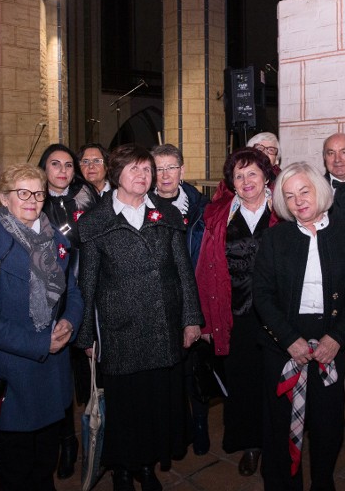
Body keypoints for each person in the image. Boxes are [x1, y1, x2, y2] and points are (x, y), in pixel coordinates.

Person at [75, 143, 204, 491]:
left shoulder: (167, 215)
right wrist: (86, 336)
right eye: (134, 169)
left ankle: (146, 466)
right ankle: (120, 468)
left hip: (163, 325)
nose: (143, 176)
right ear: (116, 174)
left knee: (155, 402)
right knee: (124, 405)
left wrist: (191, 318)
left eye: (147, 170)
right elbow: (86, 284)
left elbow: (183, 271)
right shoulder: (95, 222)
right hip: (119, 330)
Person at [0, 163, 83, 491]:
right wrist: (41, 344)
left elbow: (73, 292)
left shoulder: (55, 240)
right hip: (12, 372)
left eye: (38, 193)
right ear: (3, 198)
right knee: (16, 470)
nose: (32, 200)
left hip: (52, 372)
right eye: (23, 193)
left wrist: (70, 322)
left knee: (46, 462)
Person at [252, 162, 345, 490]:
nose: (298, 201)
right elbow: (261, 295)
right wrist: (289, 340)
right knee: (278, 426)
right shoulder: (275, 238)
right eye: (289, 197)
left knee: (328, 426)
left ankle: (323, 483)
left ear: (320, 189)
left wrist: (337, 338)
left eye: (304, 191)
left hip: (330, 338)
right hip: (282, 342)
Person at [195, 147, 278, 477]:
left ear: (266, 176)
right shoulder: (219, 215)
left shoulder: (284, 209)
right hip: (235, 312)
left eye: (252, 174)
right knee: (241, 382)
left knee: (275, 380)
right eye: (239, 176)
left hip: (277, 314)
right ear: (231, 181)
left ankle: (276, 438)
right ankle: (251, 443)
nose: (246, 181)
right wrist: (203, 318)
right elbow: (204, 267)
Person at [36, 143, 97, 478]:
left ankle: (93, 437)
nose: (62, 170)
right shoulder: (33, 200)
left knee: (86, 373)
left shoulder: (88, 199)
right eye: (55, 164)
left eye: (68, 165)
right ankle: (65, 442)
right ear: (44, 168)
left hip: (85, 292)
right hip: (47, 298)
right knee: (57, 378)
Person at [150, 143, 212, 455]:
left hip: (194, 297)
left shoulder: (202, 207)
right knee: (166, 370)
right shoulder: (142, 206)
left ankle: (200, 422)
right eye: (158, 168)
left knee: (194, 367)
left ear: (182, 171)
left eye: (171, 167)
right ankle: (174, 427)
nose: (165, 175)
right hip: (157, 302)